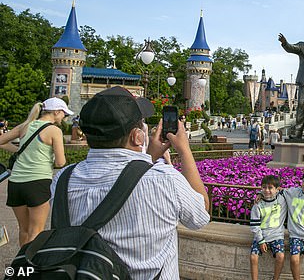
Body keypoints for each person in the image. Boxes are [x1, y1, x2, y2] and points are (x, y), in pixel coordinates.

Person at [51, 86, 210, 279]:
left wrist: (149, 156)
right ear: (137, 136)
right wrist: (184, 150)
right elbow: (200, 215)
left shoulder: (63, 179)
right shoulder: (165, 179)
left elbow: (129, 181)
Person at [0, 98, 70, 246]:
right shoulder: (54, 131)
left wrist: (19, 150)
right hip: (38, 183)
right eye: (64, 113)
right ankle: (30, 266)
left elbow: (1, 141)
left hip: (15, 183)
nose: (64, 117)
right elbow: (60, 162)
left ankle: (21, 266)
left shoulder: (25, 126)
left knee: (24, 230)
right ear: (57, 112)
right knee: (35, 232)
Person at [250, 175, 287, 280]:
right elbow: (255, 226)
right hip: (261, 236)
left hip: (276, 236)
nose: (267, 190)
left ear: (277, 189)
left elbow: (297, 192)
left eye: (270, 188)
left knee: (280, 256)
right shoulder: (257, 204)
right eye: (264, 187)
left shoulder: (282, 199)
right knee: (253, 257)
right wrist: (261, 241)